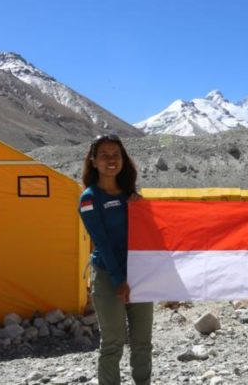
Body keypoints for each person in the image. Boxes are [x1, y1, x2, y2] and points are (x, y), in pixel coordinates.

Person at [78, 134, 153, 385]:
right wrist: (120, 280)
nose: (111, 160)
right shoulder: (89, 198)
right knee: (113, 342)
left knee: (142, 341)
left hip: (139, 274)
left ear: (123, 159)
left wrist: (142, 209)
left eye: (116, 155)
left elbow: (150, 234)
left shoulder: (131, 195)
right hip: (109, 275)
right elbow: (103, 243)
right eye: (104, 155)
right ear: (94, 161)